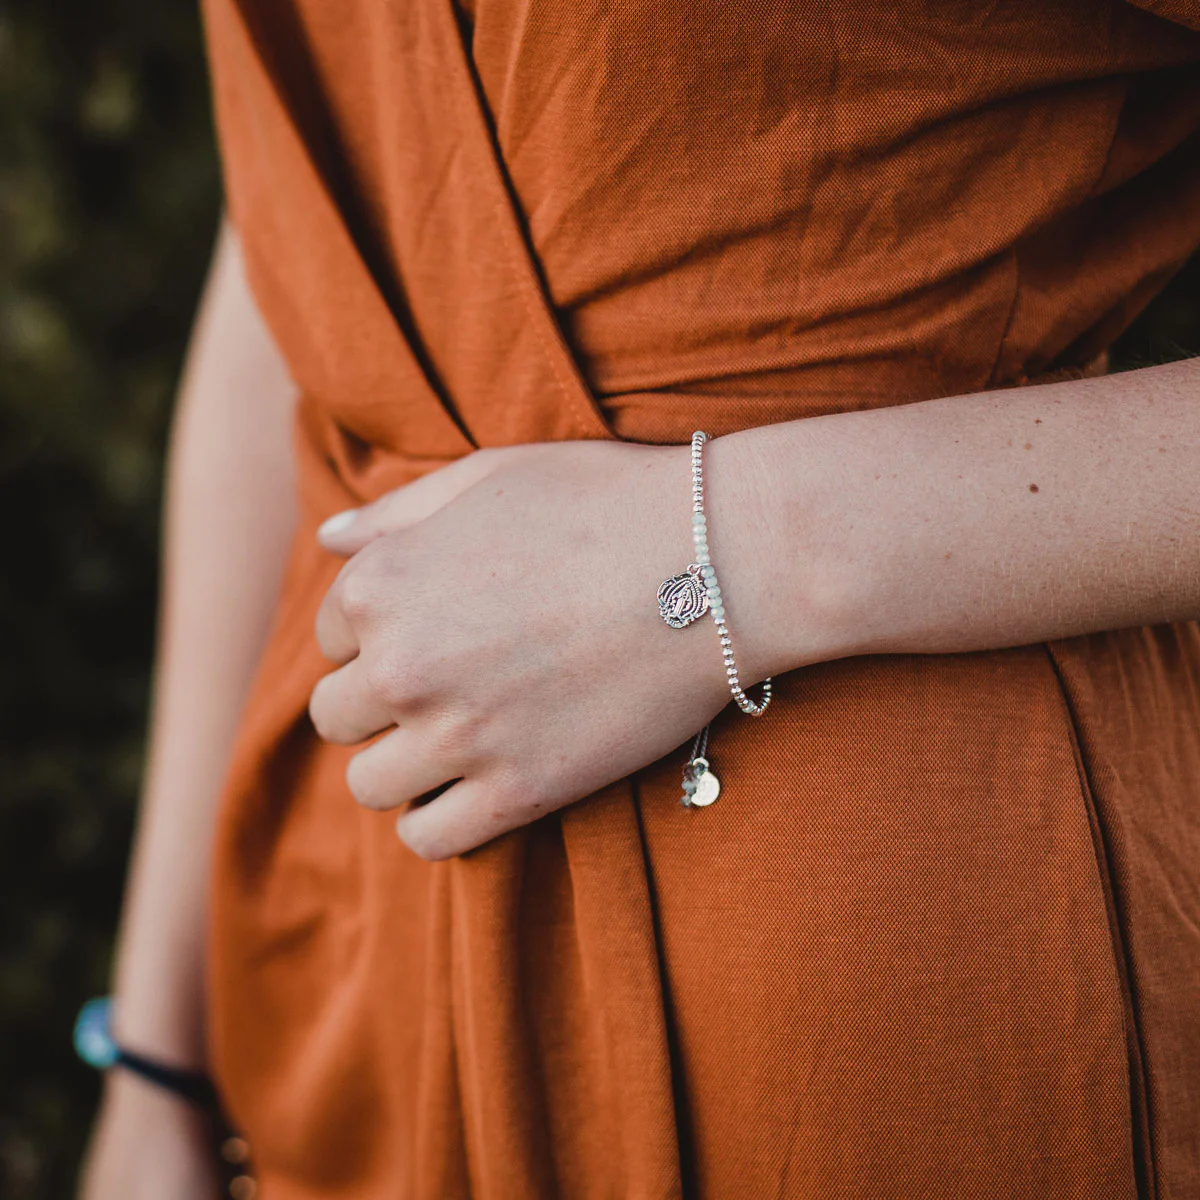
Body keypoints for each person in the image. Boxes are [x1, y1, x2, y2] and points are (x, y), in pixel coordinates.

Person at [80, 0, 1200, 1196]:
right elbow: (299, 238)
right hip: (352, 966)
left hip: (878, 1002)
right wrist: (160, 1050)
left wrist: (741, 547)